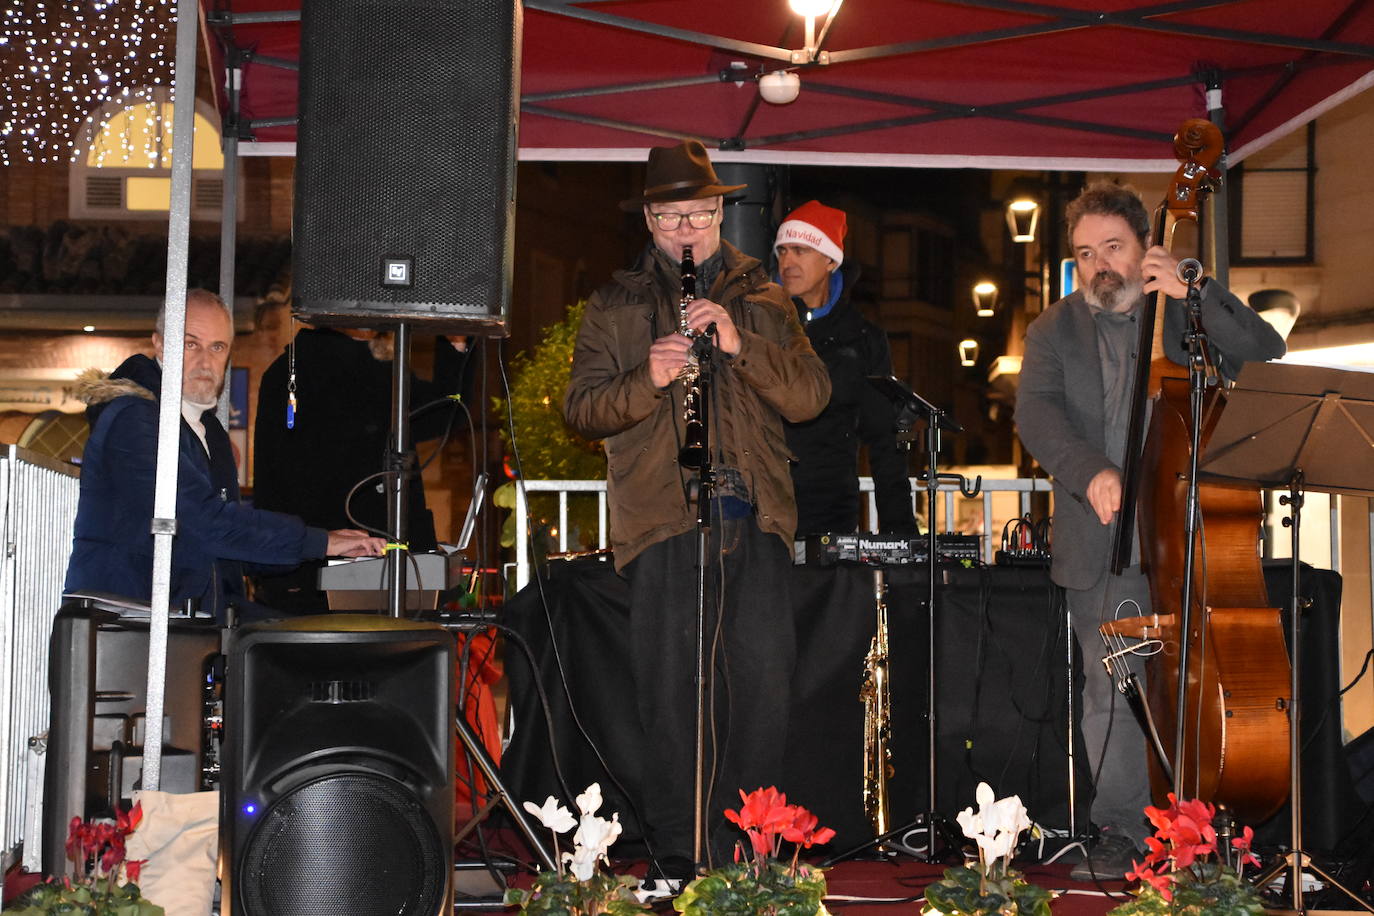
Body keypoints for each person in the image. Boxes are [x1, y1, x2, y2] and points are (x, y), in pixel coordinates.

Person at [563, 140, 830, 878]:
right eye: (673, 215)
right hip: (663, 520)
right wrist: (647, 379)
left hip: (753, 519)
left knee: (760, 692)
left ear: (720, 213)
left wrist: (740, 344)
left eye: (701, 214)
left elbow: (812, 397)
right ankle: (680, 853)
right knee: (671, 696)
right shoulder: (615, 303)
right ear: (649, 218)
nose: (688, 229)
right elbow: (582, 409)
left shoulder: (767, 297)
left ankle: (750, 852)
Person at [1014, 182, 1285, 878]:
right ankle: (1121, 831)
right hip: (1101, 540)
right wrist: (1090, 469)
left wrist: (1198, 290)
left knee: (1202, 687)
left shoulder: (1182, 309)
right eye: (1084, 254)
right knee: (1111, 694)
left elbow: (1264, 355)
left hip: (1189, 534)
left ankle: (1205, 830)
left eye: (1113, 247)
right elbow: (1037, 415)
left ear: (1145, 247)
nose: (1100, 265)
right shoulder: (1052, 329)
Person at [63, 289, 385, 623]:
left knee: (325, 643)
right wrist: (318, 542)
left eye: (217, 348)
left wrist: (327, 545)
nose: (206, 362)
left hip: (184, 616)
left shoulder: (208, 432)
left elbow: (225, 549)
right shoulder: (135, 419)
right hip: (126, 619)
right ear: (159, 345)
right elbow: (204, 524)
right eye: (191, 344)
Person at [252, 326, 473, 611]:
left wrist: (454, 343)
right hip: (338, 568)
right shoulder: (336, 367)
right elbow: (443, 412)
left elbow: (442, 413)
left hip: (325, 565)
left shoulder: (307, 365)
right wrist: (453, 342)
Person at [774, 200, 916, 535]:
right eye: (781, 251)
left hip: (830, 511)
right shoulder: (761, 326)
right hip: (763, 509)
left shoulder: (863, 339)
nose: (787, 262)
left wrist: (902, 534)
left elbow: (885, 438)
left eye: (800, 250)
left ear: (829, 260)